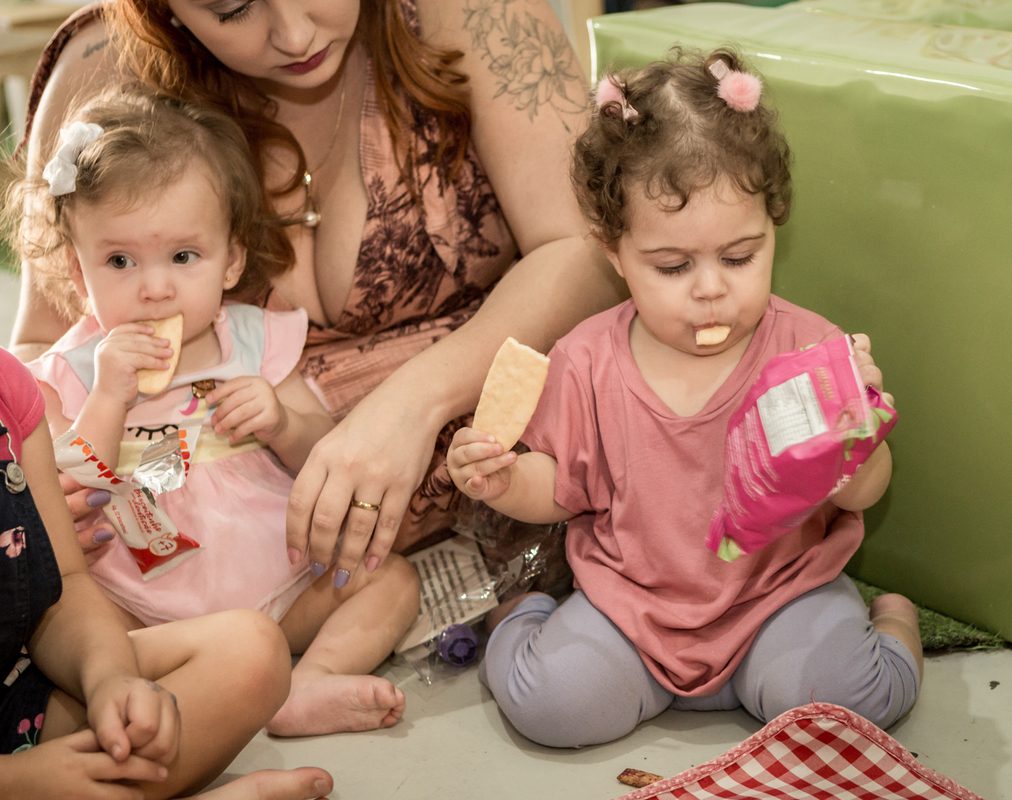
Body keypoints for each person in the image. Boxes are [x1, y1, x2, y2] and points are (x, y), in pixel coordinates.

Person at [10, 0, 625, 582]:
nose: (295, 35)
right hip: (199, 569)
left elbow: (586, 250)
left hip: (516, 511)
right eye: (231, 10)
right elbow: (44, 347)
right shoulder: (101, 70)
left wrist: (413, 403)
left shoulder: (471, 13)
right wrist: (56, 487)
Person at [446, 49, 924, 748]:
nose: (710, 288)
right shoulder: (585, 361)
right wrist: (505, 479)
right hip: (630, 607)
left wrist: (852, 446)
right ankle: (519, 614)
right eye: (672, 266)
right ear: (614, 251)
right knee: (551, 706)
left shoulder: (805, 351)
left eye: (740, 256)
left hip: (778, 598)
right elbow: (562, 489)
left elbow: (865, 494)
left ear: (773, 229)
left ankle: (895, 622)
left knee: (843, 709)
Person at [13, 89, 418, 737]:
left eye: (183, 257)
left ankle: (308, 682)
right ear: (77, 269)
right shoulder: (67, 374)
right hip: (145, 606)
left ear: (229, 260)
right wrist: (110, 395)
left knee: (390, 580)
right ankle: (176, 697)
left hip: (276, 576)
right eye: (119, 261)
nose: (154, 287)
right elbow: (64, 495)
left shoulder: (254, 340)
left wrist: (282, 423)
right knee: (70, 634)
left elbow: (326, 450)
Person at [0, 346, 334, 799]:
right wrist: (23, 782)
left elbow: (67, 584)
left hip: (16, 693)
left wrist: (108, 678)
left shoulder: (11, 387)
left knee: (252, 649)